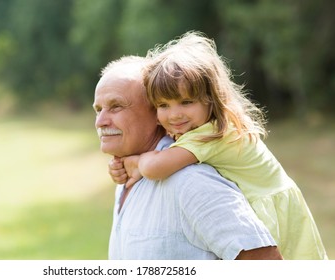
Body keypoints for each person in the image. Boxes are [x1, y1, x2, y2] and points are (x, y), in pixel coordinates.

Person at [109, 31, 327, 260]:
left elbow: (156, 168)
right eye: (163, 105)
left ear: (210, 99)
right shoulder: (201, 127)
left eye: (186, 102)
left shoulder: (210, 135)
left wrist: (135, 162)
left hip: (273, 210)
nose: (174, 115)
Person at [93, 55, 283, 259]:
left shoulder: (191, 181)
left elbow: (265, 262)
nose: (100, 121)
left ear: (155, 111)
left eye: (116, 106)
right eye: (98, 110)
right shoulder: (126, 178)